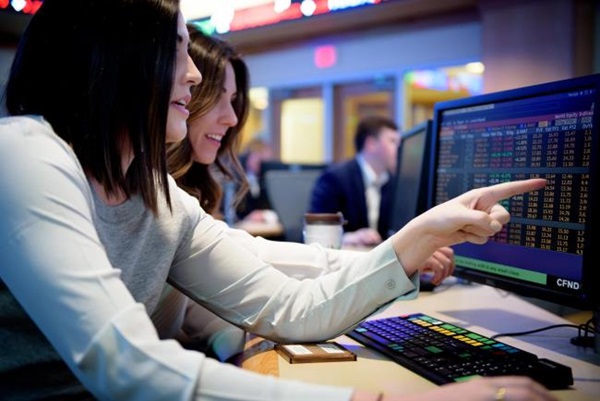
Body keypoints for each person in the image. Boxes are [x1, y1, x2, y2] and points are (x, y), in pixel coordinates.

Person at [0, 1, 555, 401]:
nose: (194, 75)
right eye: (175, 48)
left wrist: (424, 233)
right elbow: (125, 366)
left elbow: (296, 310)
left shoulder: (160, 195)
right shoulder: (23, 152)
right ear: (111, 57)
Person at [163, 27, 454, 360]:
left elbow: (261, 263)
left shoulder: (171, 198)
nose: (231, 118)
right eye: (218, 96)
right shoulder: (155, 200)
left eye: (233, 101)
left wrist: (397, 254)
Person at [309, 115, 400, 247]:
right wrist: (348, 237)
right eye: (393, 141)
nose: (399, 148)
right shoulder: (335, 178)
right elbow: (317, 233)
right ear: (371, 144)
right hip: (345, 259)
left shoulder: (393, 182)